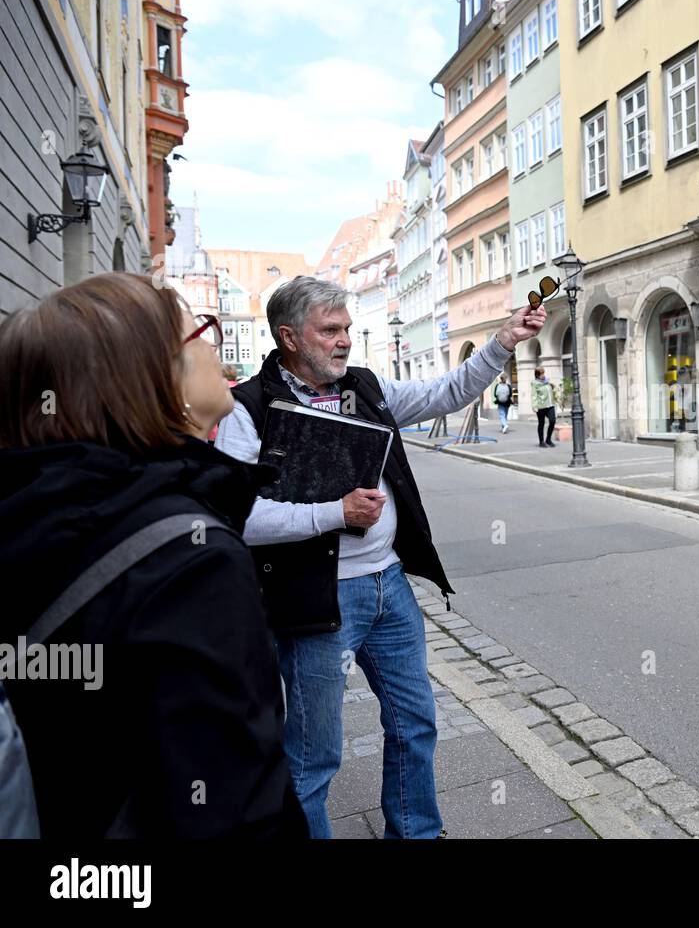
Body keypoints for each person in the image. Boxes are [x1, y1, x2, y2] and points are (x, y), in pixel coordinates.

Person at [215, 276, 545, 839]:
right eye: (330, 330)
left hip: (388, 585)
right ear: (289, 337)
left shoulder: (365, 387)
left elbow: (445, 392)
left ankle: (415, 832)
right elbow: (235, 517)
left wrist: (502, 342)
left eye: (347, 329)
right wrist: (334, 513)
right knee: (315, 754)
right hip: (317, 599)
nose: (344, 340)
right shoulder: (248, 409)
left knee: (414, 724)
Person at [0, 273, 307, 838]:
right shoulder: (188, 558)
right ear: (151, 377)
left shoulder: (39, 510)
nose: (215, 346)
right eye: (200, 334)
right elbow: (231, 807)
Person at [532, 367, 557, 448]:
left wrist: (551, 386)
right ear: (537, 375)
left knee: (552, 421)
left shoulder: (547, 382)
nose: (543, 375)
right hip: (541, 406)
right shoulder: (535, 384)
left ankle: (548, 439)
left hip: (550, 405)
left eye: (543, 373)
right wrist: (534, 406)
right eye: (541, 374)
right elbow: (534, 395)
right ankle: (541, 441)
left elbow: (550, 391)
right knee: (541, 423)